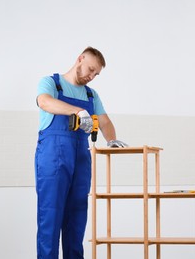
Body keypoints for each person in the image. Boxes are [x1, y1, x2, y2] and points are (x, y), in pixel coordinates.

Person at [34, 46, 127, 259]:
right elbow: (44, 102)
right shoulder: (51, 83)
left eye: (96, 74)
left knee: (76, 219)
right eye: (90, 69)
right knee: (51, 216)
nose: (91, 77)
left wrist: (111, 139)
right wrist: (78, 110)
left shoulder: (91, 94)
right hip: (52, 157)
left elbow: (104, 121)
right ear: (80, 59)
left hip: (80, 159)